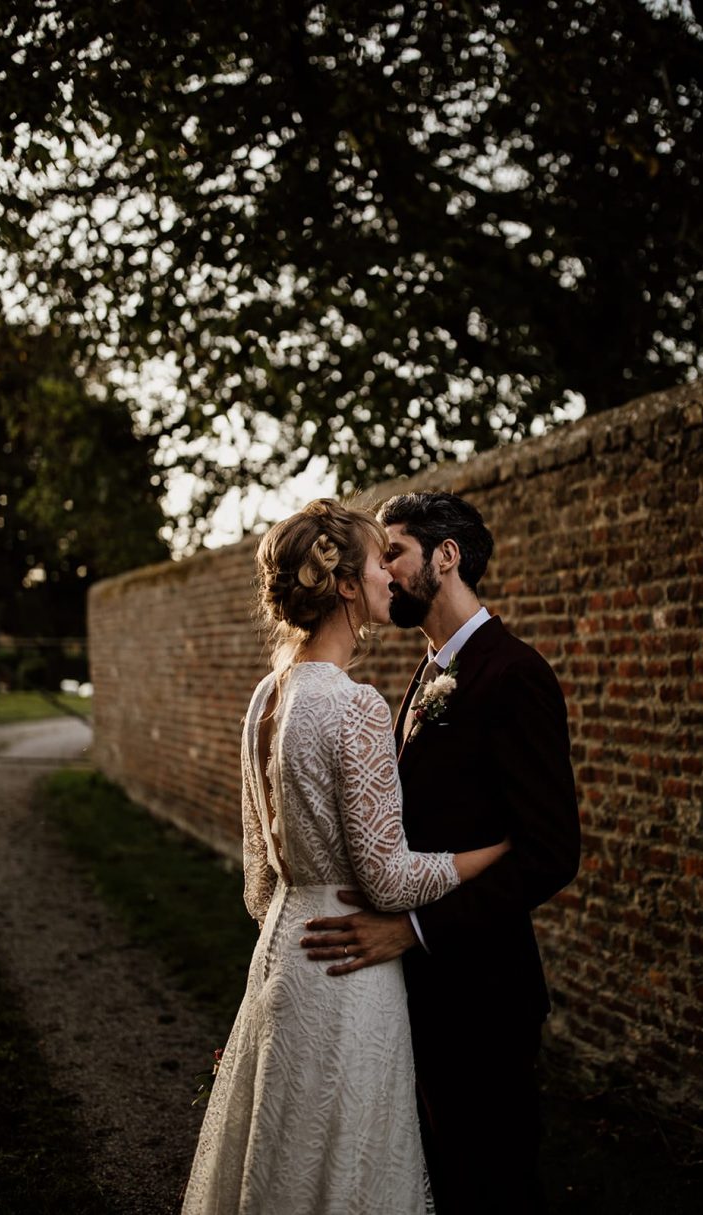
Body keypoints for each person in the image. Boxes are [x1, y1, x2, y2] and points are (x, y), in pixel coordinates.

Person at [181, 498, 510, 1215]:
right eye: (376, 560)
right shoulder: (354, 705)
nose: (390, 574)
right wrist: (486, 852)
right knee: (349, 1167)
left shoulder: (265, 698)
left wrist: (298, 923)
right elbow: (389, 879)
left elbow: (258, 885)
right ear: (347, 586)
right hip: (349, 968)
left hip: (283, 958)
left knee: (281, 1159)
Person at [301, 491, 581, 1214]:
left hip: (484, 990)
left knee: (495, 1181)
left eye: (393, 550)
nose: (384, 572)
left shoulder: (514, 673)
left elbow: (549, 852)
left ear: (446, 555)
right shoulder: (424, 676)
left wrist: (415, 929)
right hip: (420, 990)